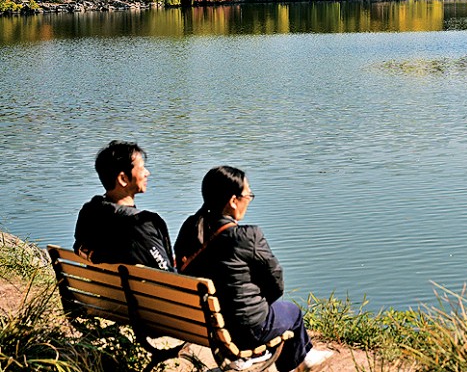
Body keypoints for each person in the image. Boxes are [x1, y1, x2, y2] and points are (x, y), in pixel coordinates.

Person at [174, 166, 333, 372]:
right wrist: (260, 302)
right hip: (245, 331)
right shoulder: (247, 237)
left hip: (205, 324)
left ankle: (298, 359)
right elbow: (277, 282)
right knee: (292, 312)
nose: (249, 199)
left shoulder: (190, 227)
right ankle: (299, 363)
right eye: (248, 194)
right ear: (233, 201)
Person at [74, 139, 174, 270]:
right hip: (136, 290)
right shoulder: (141, 224)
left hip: (104, 288)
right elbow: (167, 276)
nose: (147, 173)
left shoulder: (89, 213)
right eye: (142, 168)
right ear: (123, 179)